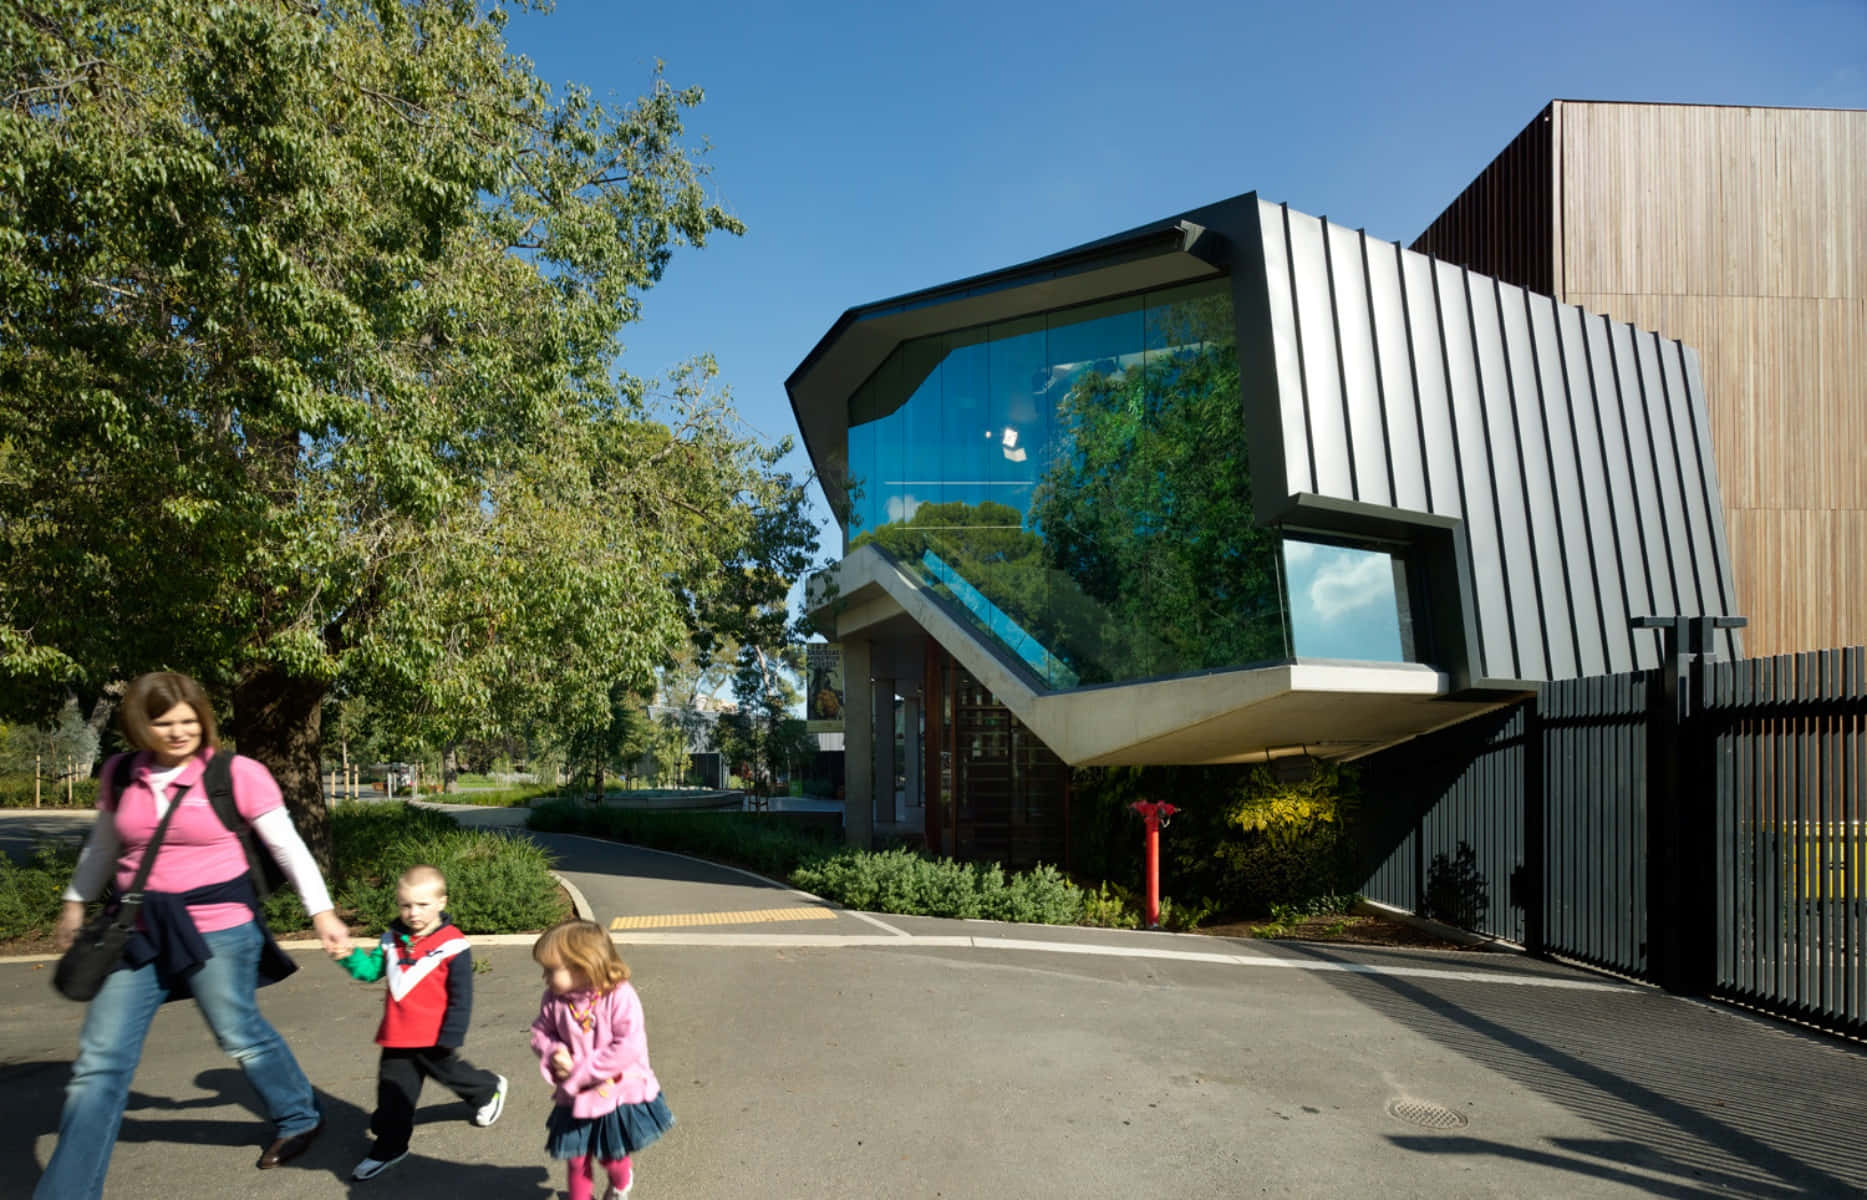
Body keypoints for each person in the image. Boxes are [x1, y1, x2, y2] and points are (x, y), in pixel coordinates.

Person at [37, 671, 350, 1200]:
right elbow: (104, 846)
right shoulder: (120, 774)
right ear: (141, 725)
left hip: (220, 928)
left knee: (238, 1033)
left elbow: (289, 847)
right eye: (165, 723)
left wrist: (322, 912)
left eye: (189, 721)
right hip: (135, 932)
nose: (180, 732)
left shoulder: (236, 773)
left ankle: (299, 1114)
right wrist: (74, 899)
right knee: (98, 1065)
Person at [338, 863, 508, 1180]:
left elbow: (462, 995)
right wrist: (347, 955)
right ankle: (390, 1147)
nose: (413, 913)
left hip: (435, 1037)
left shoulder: (454, 943)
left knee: (455, 1076)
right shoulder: (390, 940)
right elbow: (369, 971)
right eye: (405, 905)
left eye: (422, 904)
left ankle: (488, 1089)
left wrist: (453, 1032)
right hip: (397, 1037)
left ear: (441, 902)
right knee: (392, 1096)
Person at [530, 919, 676, 1200]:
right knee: (576, 1158)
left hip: (615, 1094)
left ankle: (621, 1182)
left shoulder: (619, 996)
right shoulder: (554, 999)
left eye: (550, 970)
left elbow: (628, 1047)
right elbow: (540, 1031)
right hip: (575, 1099)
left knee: (611, 1155)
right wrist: (553, 1051)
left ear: (582, 965)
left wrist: (581, 1071)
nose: (545, 978)